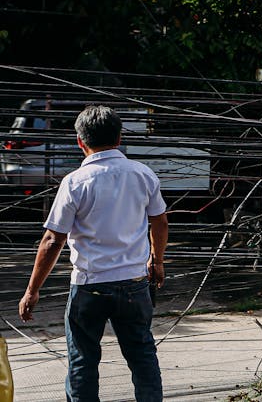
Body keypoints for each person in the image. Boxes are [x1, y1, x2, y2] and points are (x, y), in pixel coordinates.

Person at [19, 105, 168, 401]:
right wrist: (157, 260)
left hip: (89, 286)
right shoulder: (142, 174)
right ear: (119, 137)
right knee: (142, 357)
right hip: (135, 284)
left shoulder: (75, 182)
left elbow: (52, 240)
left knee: (83, 362)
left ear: (80, 141)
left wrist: (32, 291)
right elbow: (160, 221)